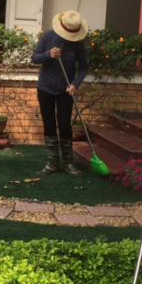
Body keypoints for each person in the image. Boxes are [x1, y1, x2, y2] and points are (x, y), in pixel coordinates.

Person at [31, 10, 89, 175]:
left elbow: (84, 67)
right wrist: (48, 54)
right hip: (45, 87)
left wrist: (75, 84)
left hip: (66, 90)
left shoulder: (78, 43)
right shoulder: (48, 36)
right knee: (49, 125)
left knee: (64, 126)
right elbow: (34, 58)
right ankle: (52, 164)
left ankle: (69, 164)